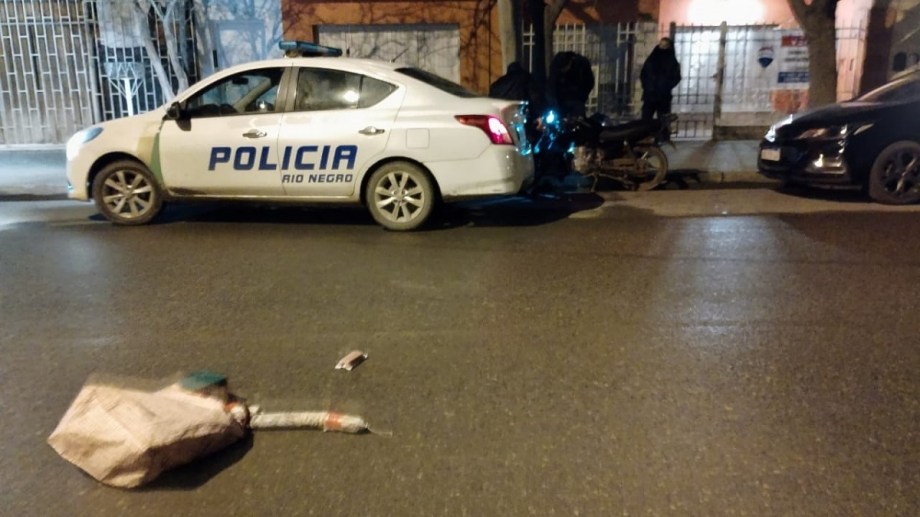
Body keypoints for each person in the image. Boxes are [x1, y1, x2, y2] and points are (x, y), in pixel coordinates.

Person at [640, 37, 682, 121]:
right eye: (661, 45)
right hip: (650, 94)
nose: (662, 48)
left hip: (663, 96)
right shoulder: (651, 59)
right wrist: (646, 85)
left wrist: (666, 86)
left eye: (665, 46)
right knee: (646, 119)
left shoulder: (671, 61)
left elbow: (676, 77)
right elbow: (643, 74)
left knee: (663, 120)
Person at [547, 51, 595, 118]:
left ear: (569, 63)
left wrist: (582, 97)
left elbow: (589, 82)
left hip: (577, 99)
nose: (562, 71)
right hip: (561, 101)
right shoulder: (555, 68)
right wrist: (553, 102)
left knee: (578, 116)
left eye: (564, 68)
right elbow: (551, 86)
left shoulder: (580, 65)